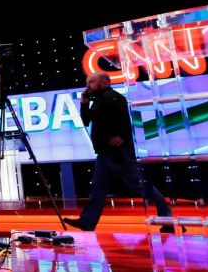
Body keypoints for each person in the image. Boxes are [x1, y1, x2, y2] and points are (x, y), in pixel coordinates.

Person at [63, 72, 175, 232]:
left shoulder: (114, 98)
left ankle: (168, 220)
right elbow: (86, 120)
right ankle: (87, 221)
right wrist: (84, 103)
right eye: (87, 82)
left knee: (140, 185)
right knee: (98, 188)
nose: (88, 86)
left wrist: (123, 137)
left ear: (104, 83)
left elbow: (126, 120)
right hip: (104, 152)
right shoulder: (99, 100)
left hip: (118, 152)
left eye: (92, 82)